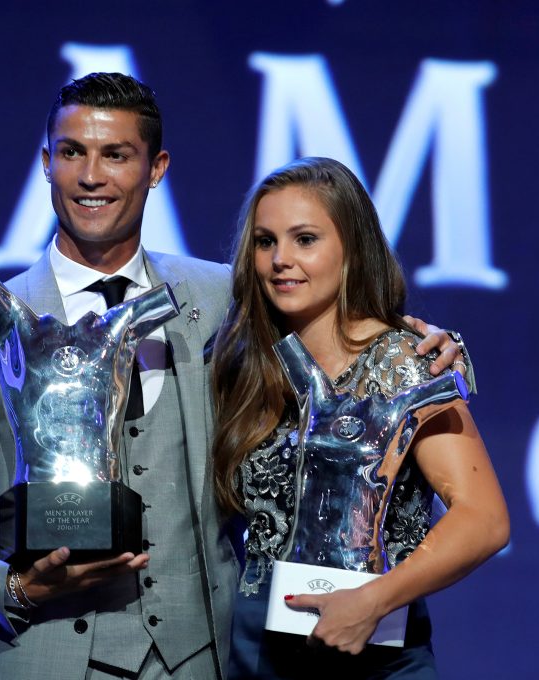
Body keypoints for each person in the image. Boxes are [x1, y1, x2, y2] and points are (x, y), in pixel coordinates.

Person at [0, 73, 466, 679]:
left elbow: (334, 326)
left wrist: (409, 344)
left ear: (155, 168)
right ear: (46, 162)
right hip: (43, 656)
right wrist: (14, 587)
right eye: (73, 152)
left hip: (199, 659)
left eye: (117, 155)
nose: (91, 175)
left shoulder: (223, 297)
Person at [211, 157, 509, 679]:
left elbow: (484, 520)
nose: (280, 259)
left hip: (375, 651)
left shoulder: (406, 360)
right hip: (259, 654)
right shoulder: (244, 363)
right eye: (265, 241)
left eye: (305, 239)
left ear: (351, 248)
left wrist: (372, 601)